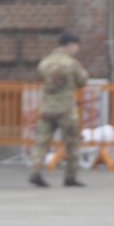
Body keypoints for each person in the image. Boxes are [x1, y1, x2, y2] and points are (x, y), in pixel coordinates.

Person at [29, 32, 90, 187]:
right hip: (66, 109)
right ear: (70, 45)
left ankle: (36, 171)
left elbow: (40, 78)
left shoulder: (45, 62)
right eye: (76, 46)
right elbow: (83, 80)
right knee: (72, 143)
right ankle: (70, 176)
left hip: (46, 108)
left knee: (42, 142)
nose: (77, 49)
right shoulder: (71, 63)